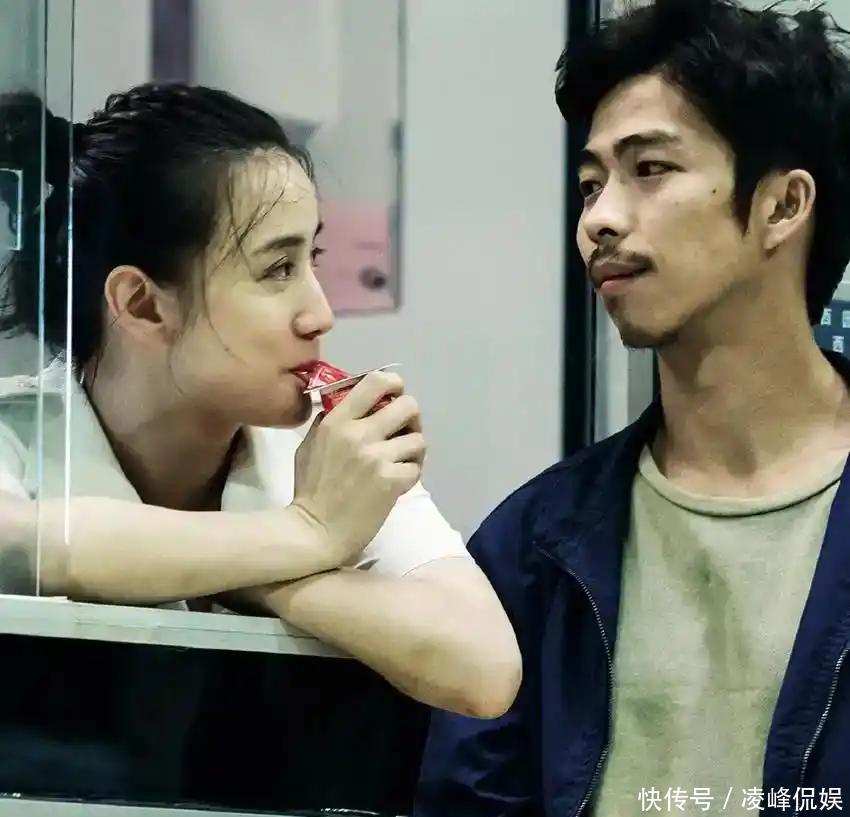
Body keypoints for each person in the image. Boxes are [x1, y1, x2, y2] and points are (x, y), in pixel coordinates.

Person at [415, 0, 850, 813]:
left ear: (784, 206)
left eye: (650, 169)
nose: (599, 221)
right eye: (590, 186)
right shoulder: (531, 549)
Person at [0, 84, 521, 719]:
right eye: (277, 270)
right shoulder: (13, 434)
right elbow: (17, 544)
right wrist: (307, 533)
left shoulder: (324, 459)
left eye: (312, 258)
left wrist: (264, 569)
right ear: (142, 304)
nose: (321, 314)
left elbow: (484, 669)